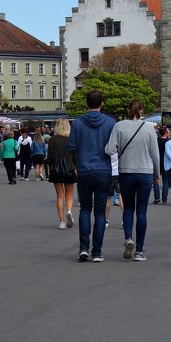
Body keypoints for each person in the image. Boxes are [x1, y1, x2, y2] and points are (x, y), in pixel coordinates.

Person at [106, 100, 160, 261]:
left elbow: (109, 149)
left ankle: (128, 238)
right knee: (142, 211)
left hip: (126, 172)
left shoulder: (119, 126)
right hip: (145, 172)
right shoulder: (149, 128)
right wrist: (157, 174)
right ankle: (140, 250)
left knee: (128, 208)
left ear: (128, 109)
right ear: (142, 111)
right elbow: (155, 155)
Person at [68, 89, 116, 262]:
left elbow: (71, 146)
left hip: (84, 170)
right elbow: (114, 147)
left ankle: (83, 248)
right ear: (102, 103)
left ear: (87, 103)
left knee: (85, 209)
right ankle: (97, 251)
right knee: (100, 213)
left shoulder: (78, 123)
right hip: (104, 170)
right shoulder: (111, 123)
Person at [47, 118, 77, 230]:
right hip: (70, 169)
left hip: (56, 170)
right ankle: (69, 211)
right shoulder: (71, 139)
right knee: (69, 195)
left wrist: (51, 167)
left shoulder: (52, 140)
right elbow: (75, 156)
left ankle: (62, 222)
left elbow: (49, 157)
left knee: (60, 196)